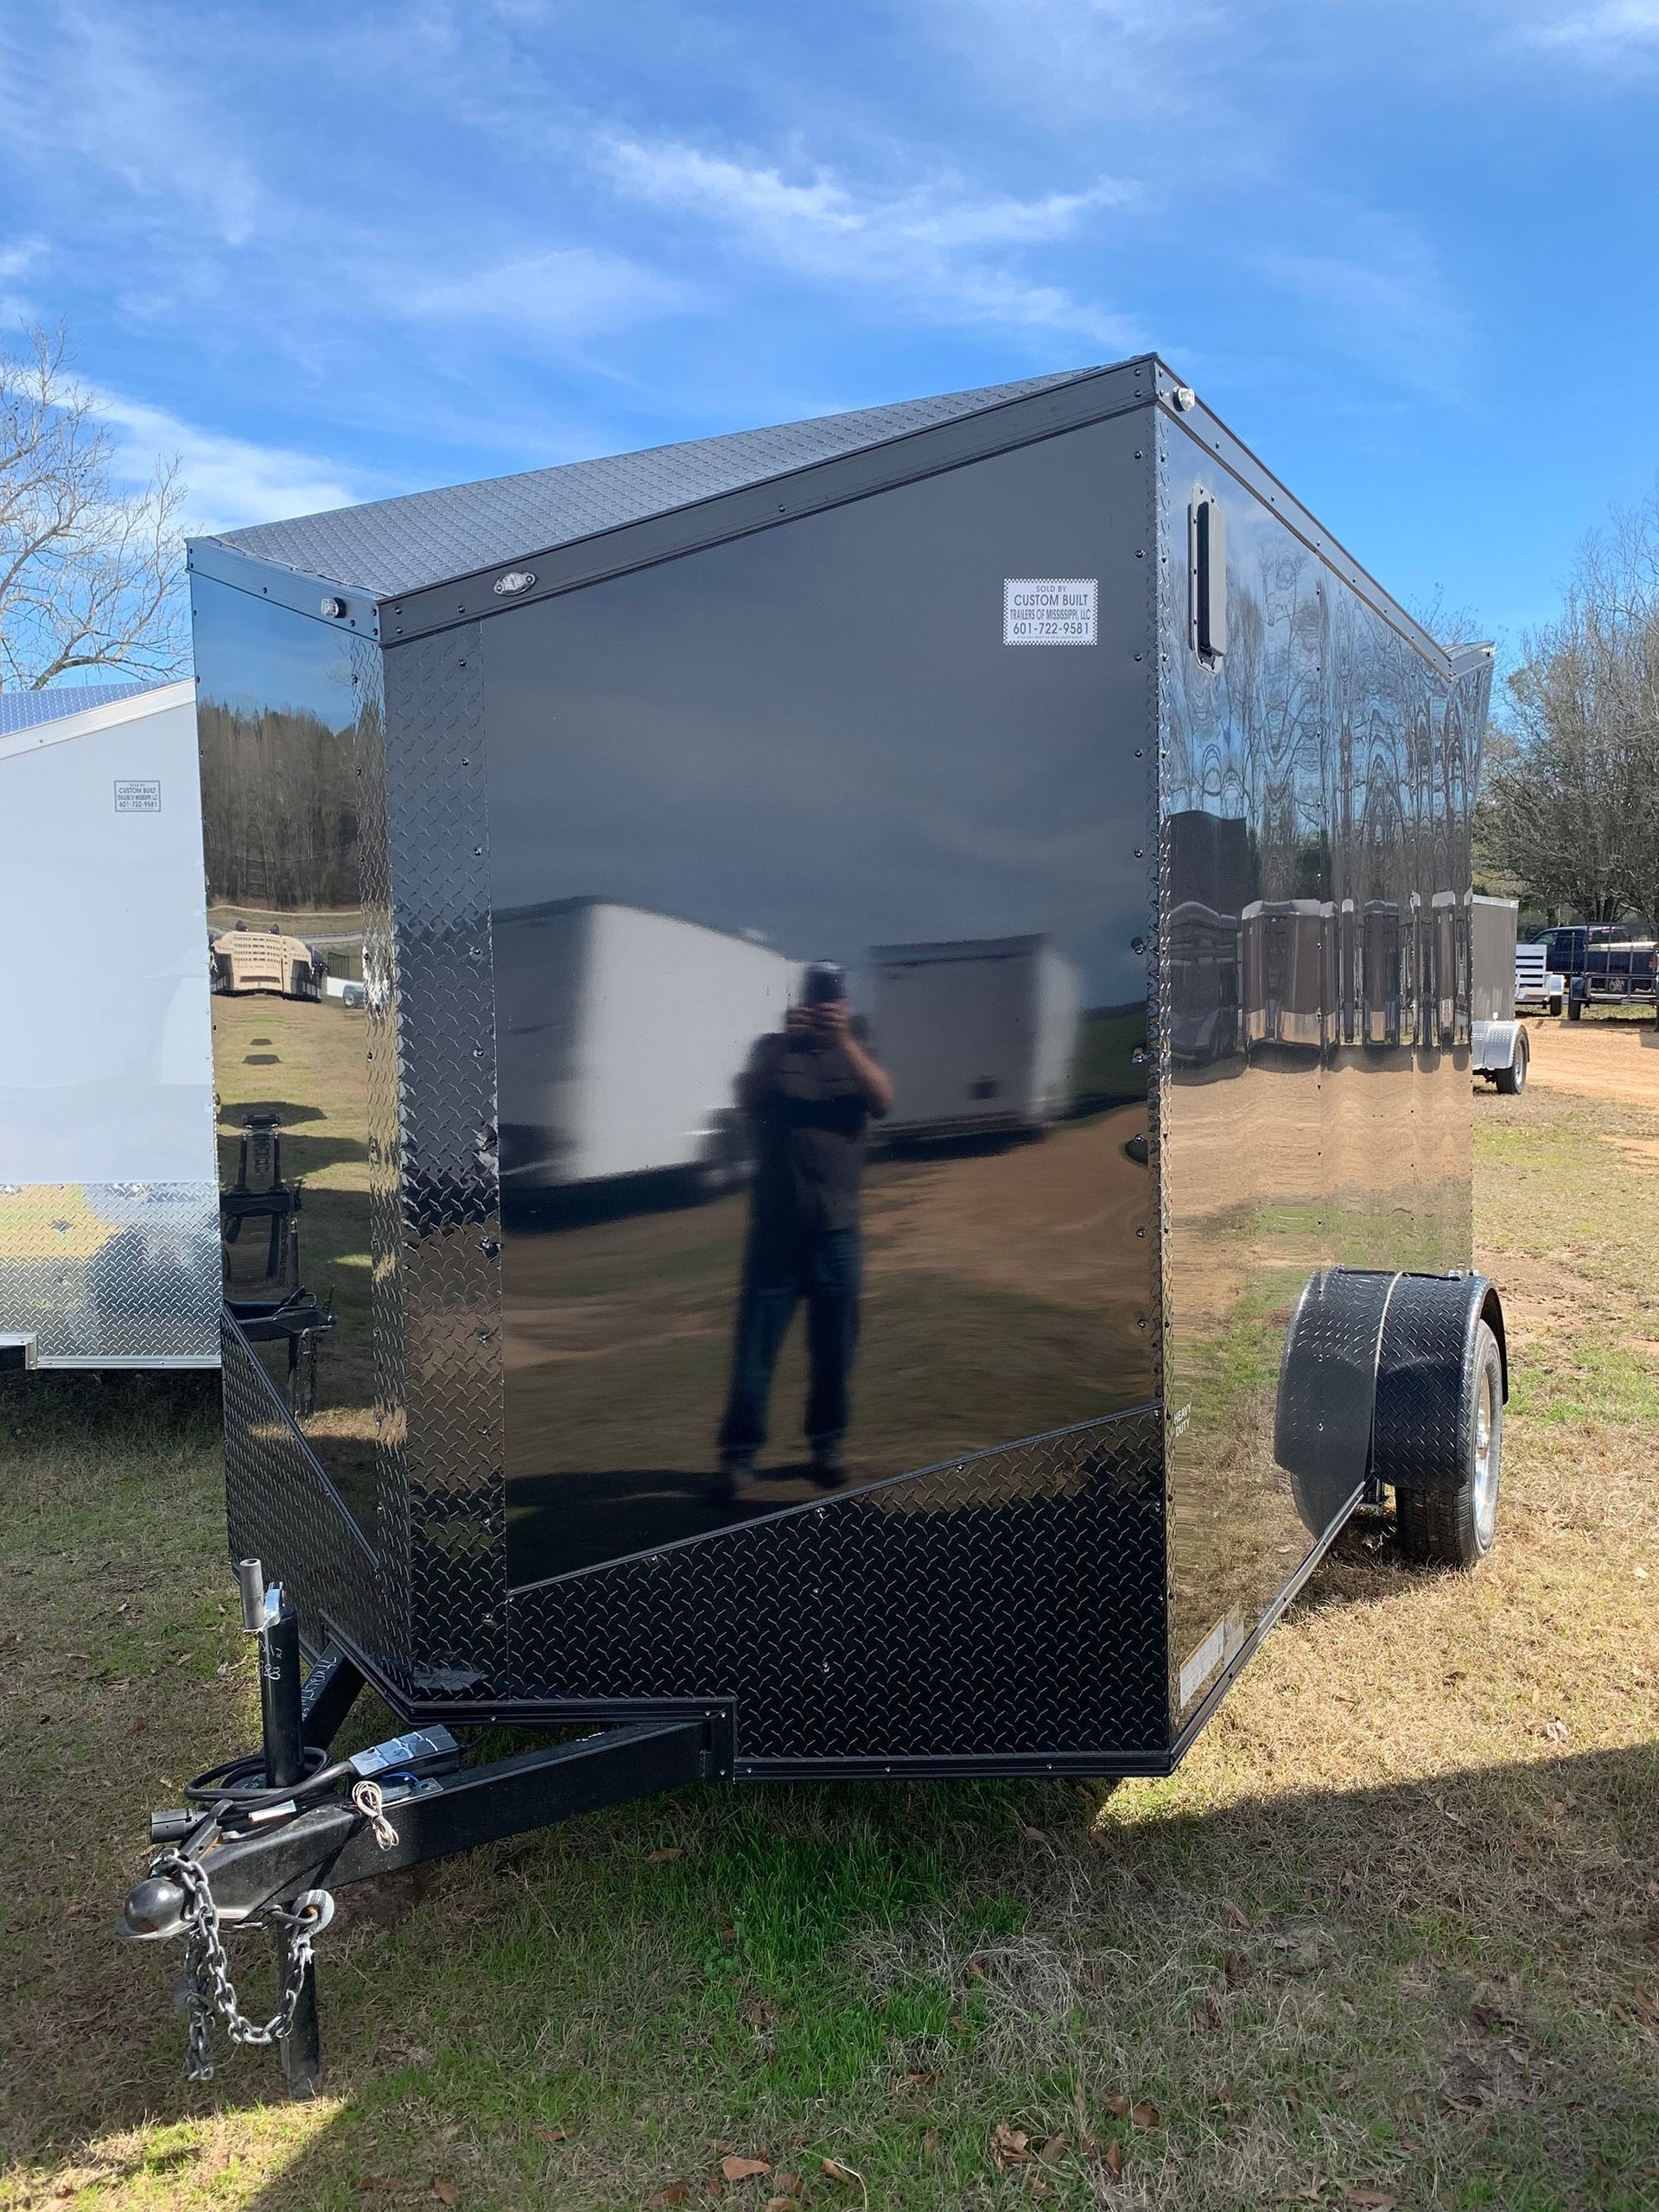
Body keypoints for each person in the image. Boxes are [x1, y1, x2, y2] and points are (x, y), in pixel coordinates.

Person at [715, 961, 893, 1492]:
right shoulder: (772, 1048)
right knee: (755, 1353)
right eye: (817, 994)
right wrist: (781, 1047)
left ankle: (827, 1446)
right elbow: (746, 1097)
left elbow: (883, 1099)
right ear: (799, 998)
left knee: (835, 1350)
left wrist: (845, 1042)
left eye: (833, 995)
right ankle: (739, 1457)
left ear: (845, 1002)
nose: (824, 1004)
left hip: (838, 1232)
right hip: (775, 1232)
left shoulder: (858, 1046)